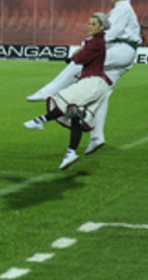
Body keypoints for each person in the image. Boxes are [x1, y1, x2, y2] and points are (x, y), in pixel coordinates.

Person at [26, 0, 140, 155]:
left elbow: (111, 33)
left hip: (120, 49)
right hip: (124, 53)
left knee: (80, 61)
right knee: (103, 93)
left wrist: (87, 44)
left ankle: (48, 91)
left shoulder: (122, 8)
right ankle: (97, 137)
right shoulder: (121, 9)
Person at [24, 13, 112, 170]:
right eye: (89, 23)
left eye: (93, 24)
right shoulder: (96, 42)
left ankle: (40, 121)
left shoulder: (96, 42)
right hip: (98, 84)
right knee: (75, 116)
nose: (90, 26)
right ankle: (71, 153)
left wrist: (76, 53)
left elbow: (79, 59)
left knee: (61, 98)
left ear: (102, 27)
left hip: (92, 82)